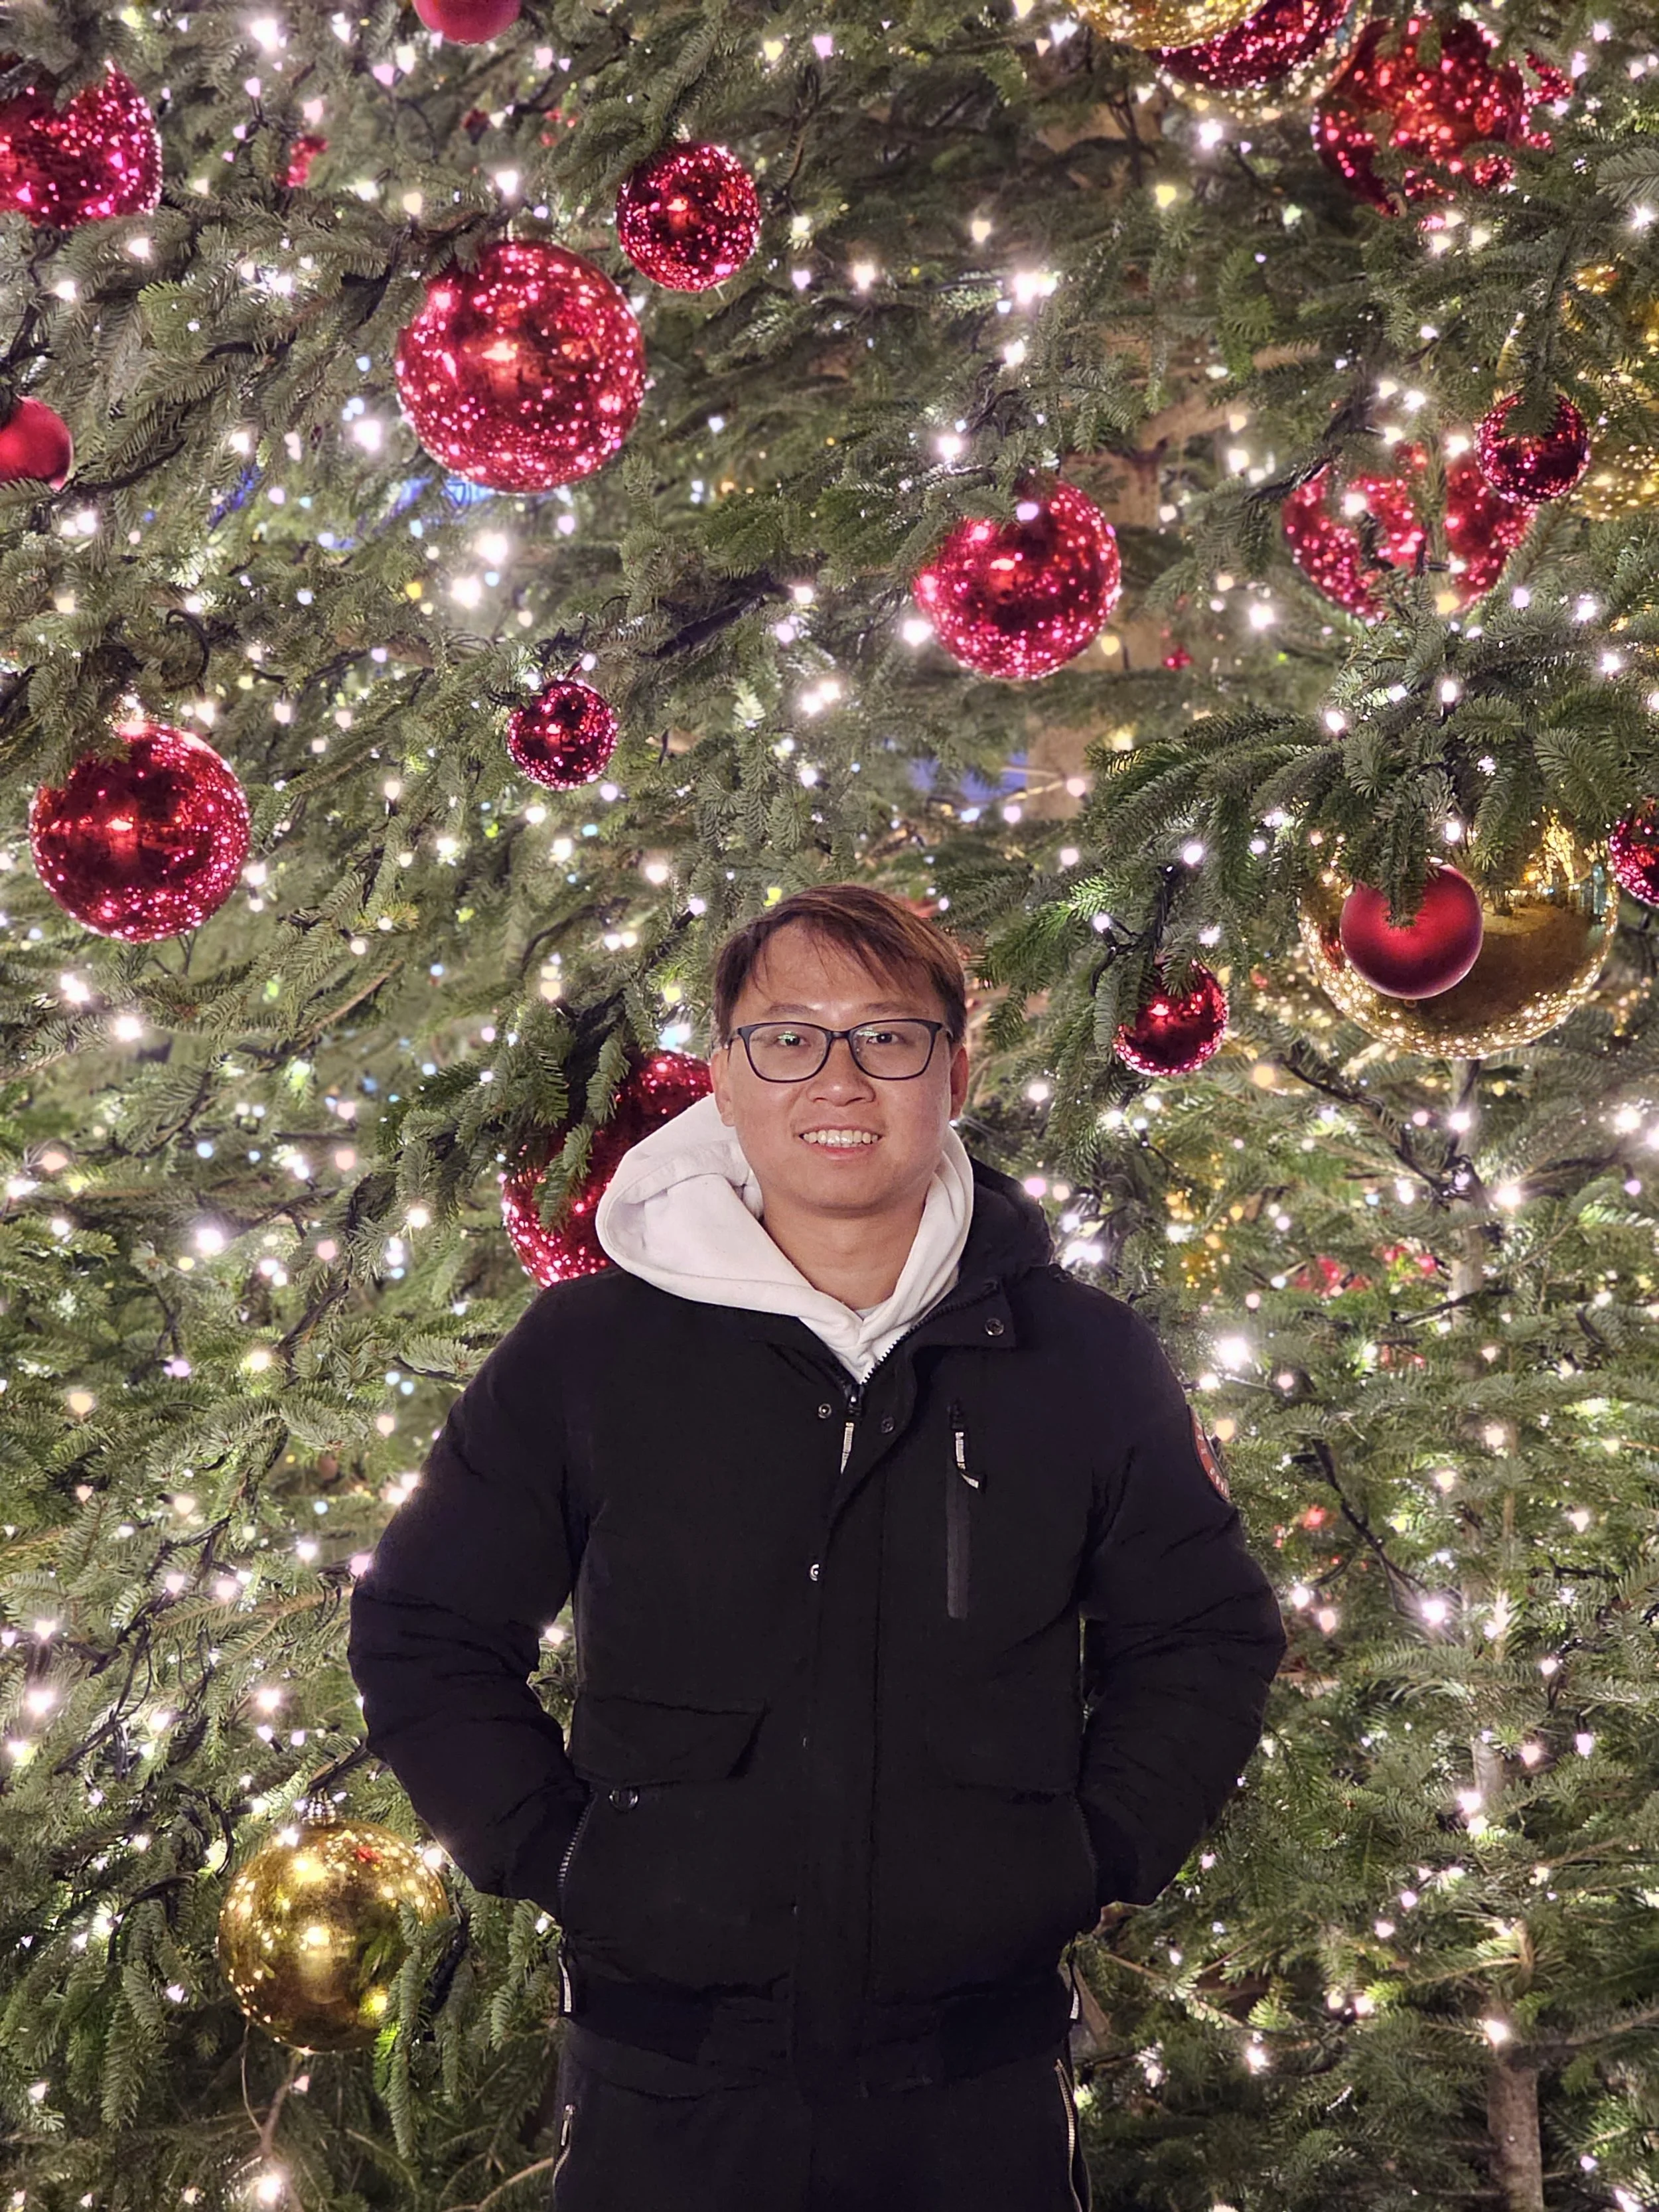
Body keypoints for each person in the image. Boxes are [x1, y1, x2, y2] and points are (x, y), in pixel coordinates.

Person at [347, 883, 1287, 2212]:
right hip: (667, 2089)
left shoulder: (1078, 1356)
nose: (835, 1077)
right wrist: (564, 1854)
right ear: (723, 1079)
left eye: (886, 1037)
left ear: (952, 1072)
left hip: (975, 2097)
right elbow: (424, 1626)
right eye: (786, 1037)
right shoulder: (590, 1352)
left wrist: (1090, 1853)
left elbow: (1201, 1634)